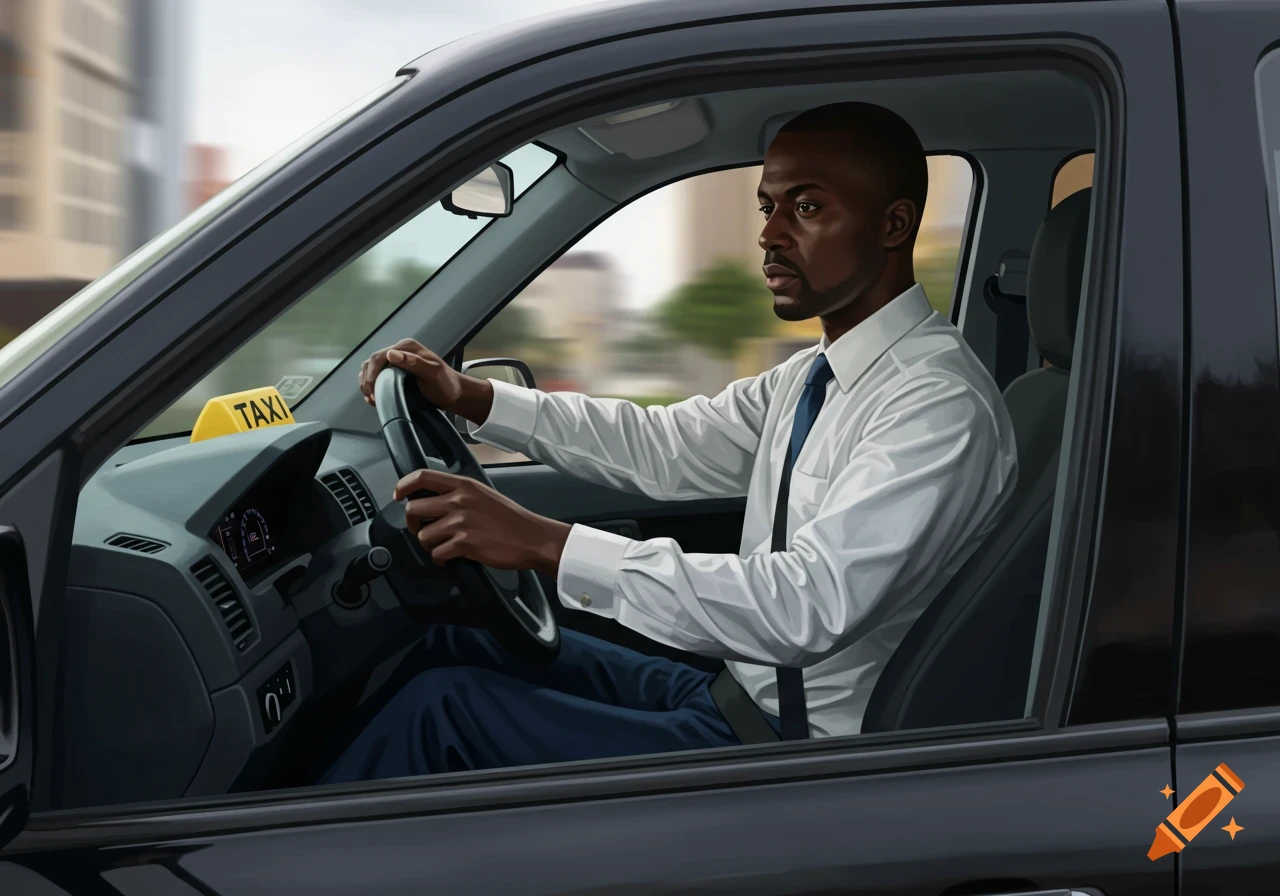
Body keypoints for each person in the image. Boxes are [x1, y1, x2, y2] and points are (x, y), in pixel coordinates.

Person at [321, 102, 1018, 784]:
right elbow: (666, 443)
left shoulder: (935, 405)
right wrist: (474, 397)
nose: (770, 235)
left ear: (894, 225)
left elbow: (805, 606)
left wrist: (543, 542)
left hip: (795, 752)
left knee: (439, 715)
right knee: (451, 638)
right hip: (734, 694)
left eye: (805, 208)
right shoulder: (817, 373)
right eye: (767, 207)